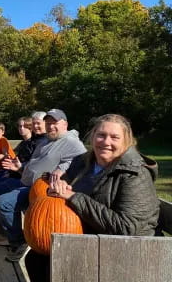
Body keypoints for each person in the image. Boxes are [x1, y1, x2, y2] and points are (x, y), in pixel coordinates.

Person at [25, 114, 160, 282]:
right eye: (101, 135)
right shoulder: (84, 162)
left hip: (124, 251)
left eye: (114, 137)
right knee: (35, 259)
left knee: (48, 265)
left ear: (126, 141)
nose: (106, 142)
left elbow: (127, 227)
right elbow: (65, 181)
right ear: (93, 136)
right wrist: (57, 181)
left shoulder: (135, 174)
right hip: (87, 236)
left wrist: (74, 196)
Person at [0, 109, 87, 261]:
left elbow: (84, 162)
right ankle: (12, 235)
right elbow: (35, 163)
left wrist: (62, 170)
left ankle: (19, 242)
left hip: (43, 190)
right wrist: (20, 167)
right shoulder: (46, 140)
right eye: (48, 123)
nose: (50, 126)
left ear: (65, 124)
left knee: (4, 203)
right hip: (26, 181)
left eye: (55, 123)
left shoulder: (71, 141)